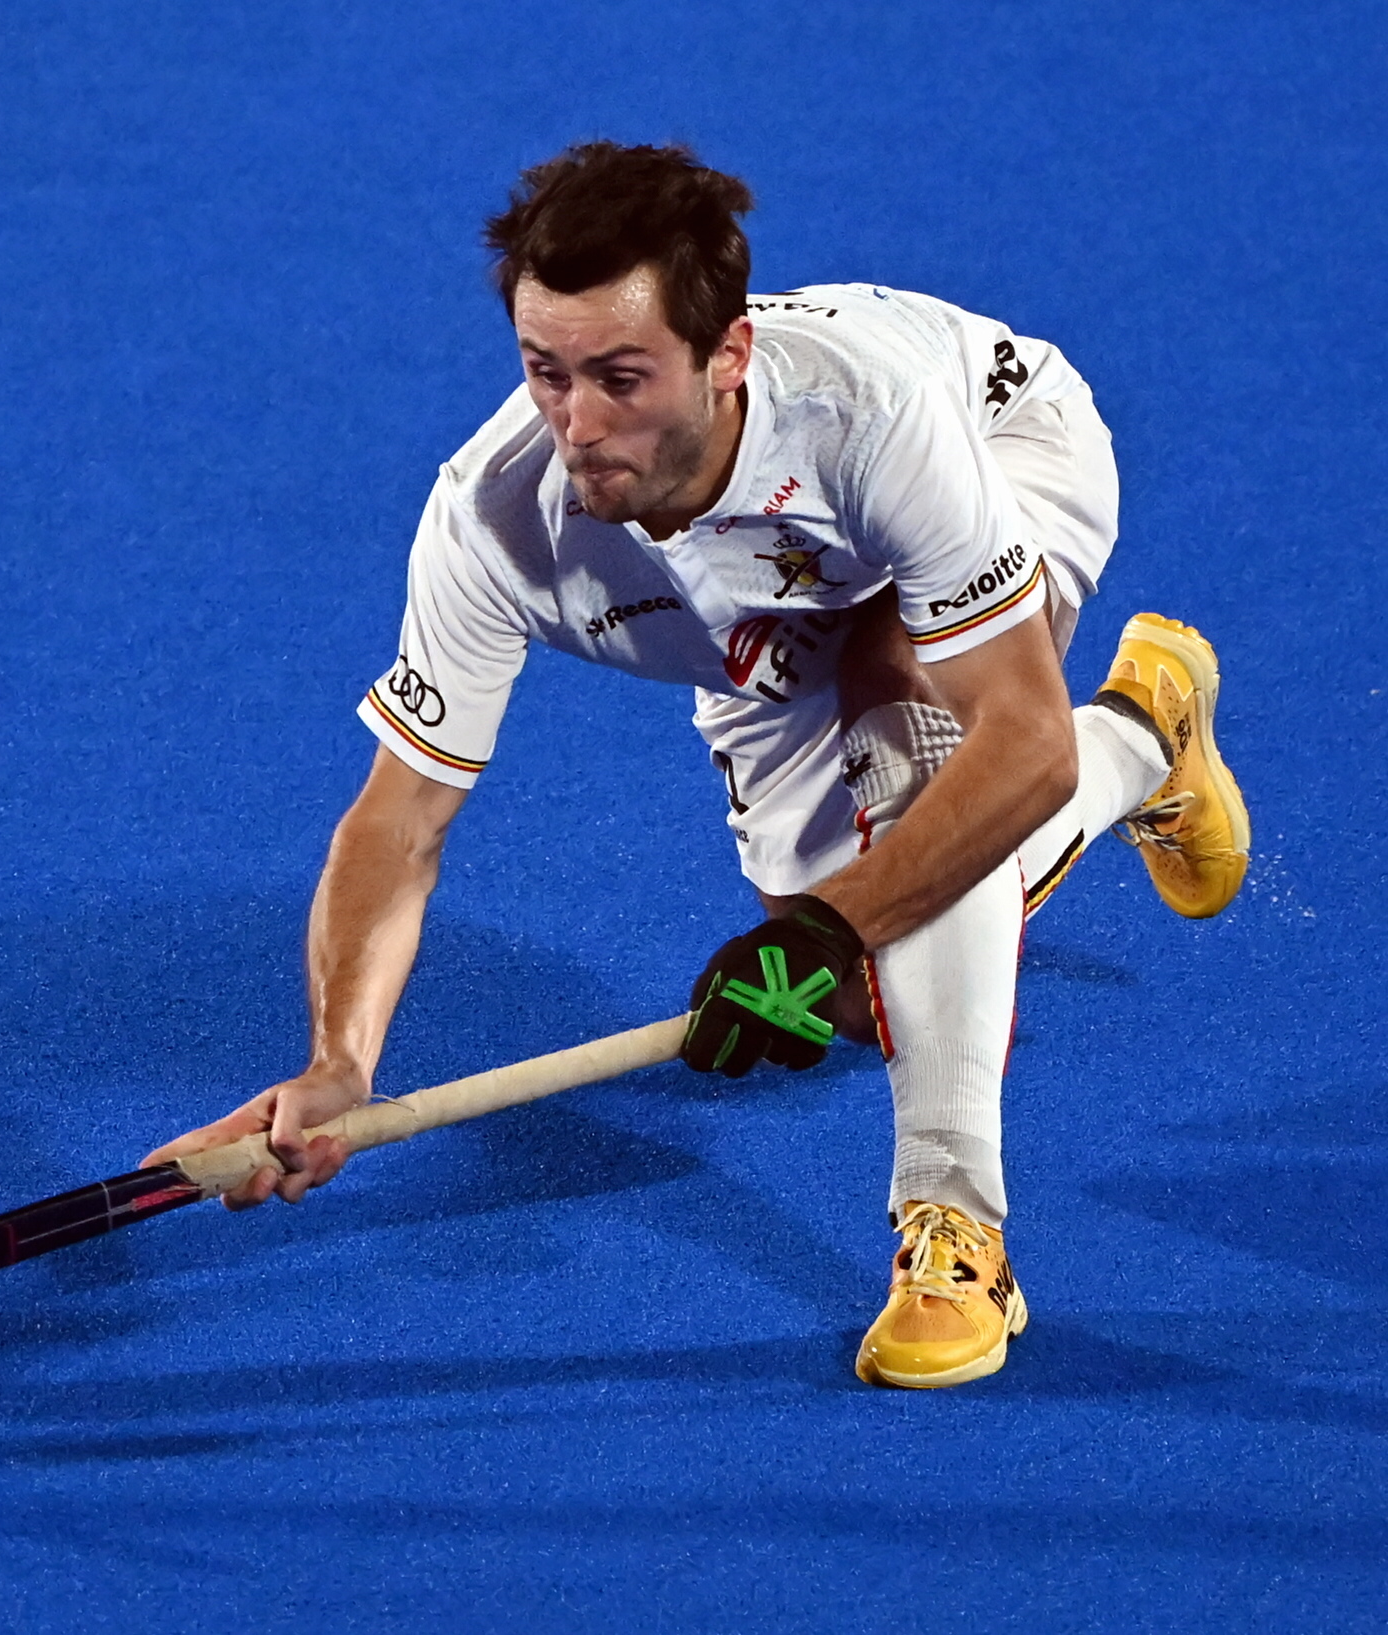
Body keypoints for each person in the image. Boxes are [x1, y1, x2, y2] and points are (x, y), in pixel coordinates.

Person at [142, 141, 1250, 1389]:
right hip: (762, 629)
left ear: (727, 359)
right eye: (545, 374)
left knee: (905, 751)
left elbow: (1019, 742)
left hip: (998, 450)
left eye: (622, 377)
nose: (578, 424)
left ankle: (954, 1230)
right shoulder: (492, 515)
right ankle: (1150, 735)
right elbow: (398, 823)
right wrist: (340, 1065)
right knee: (854, 990)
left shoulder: (869, 419)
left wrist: (832, 923)